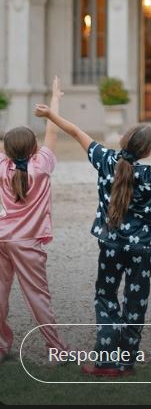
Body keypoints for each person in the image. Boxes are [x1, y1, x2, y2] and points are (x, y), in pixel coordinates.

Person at [34, 102, 151, 378]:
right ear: (148, 151)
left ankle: (106, 361)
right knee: (136, 303)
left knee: (106, 298)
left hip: (110, 245)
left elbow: (75, 132)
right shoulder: (147, 175)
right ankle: (126, 362)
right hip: (140, 249)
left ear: (124, 141)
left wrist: (50, 113)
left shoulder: (105, 160)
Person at [0, 77, 67, 363]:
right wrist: (54, 99)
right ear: (34, 148)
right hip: (27, 243)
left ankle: (1, 346)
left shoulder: (2, 166)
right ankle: (57, 350)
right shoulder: (41, 166)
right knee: (38, 296)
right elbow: (52, 130)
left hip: (1, 238)